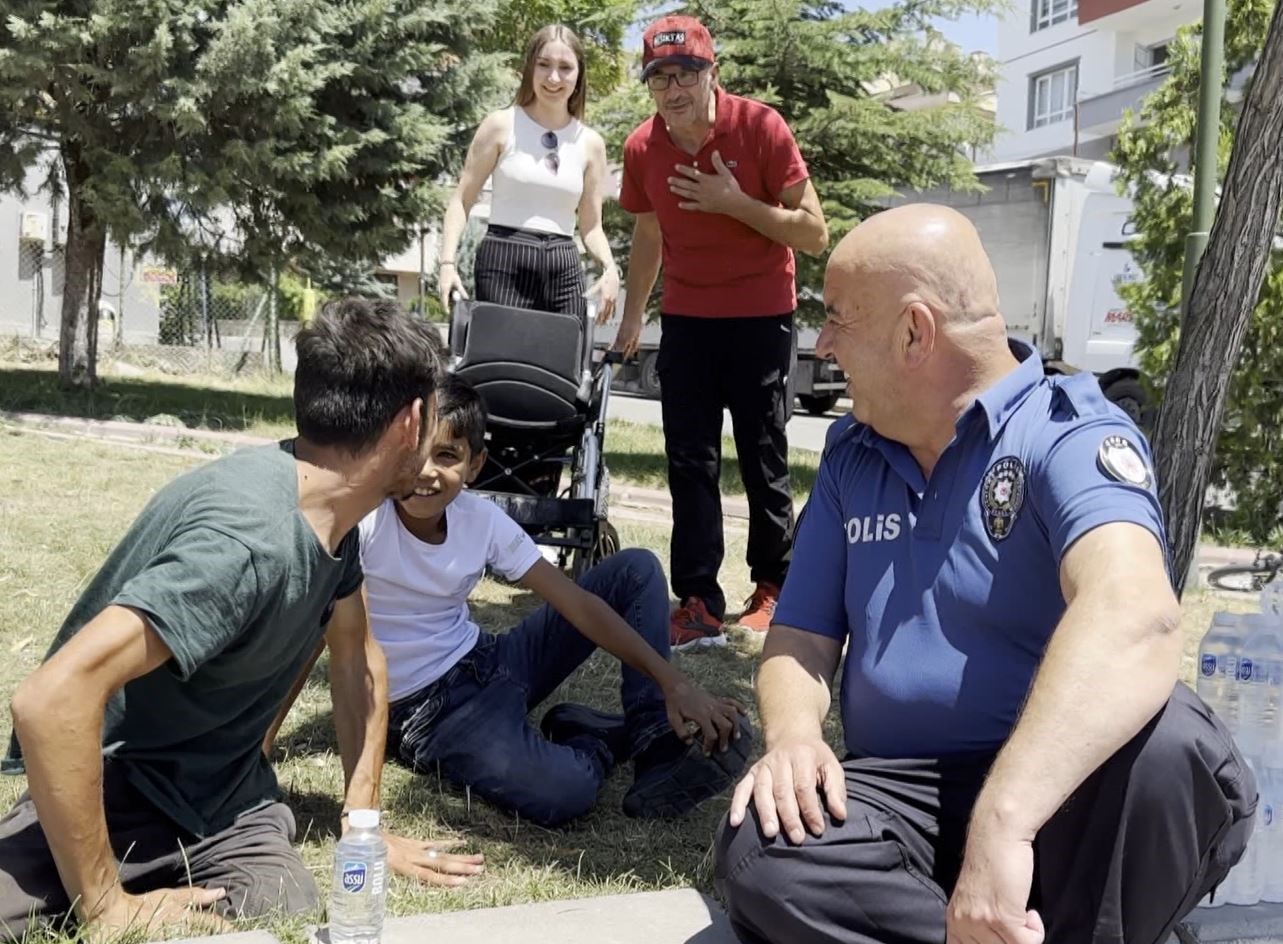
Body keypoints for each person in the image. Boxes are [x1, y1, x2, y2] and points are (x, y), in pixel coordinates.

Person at [713, 205, 1256, 944]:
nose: (824, 343)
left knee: (1175, 750)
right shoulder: (853, 456)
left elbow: (1136, 613)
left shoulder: (1065, 431)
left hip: (1063, 794)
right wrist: (795, 740)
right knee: (763, 847)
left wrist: (1003, 823)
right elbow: (799, 639)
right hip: (907, 797)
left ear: (914, 331)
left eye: (839, 318)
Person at [0, 299, 485, 943]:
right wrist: (106, 905)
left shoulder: (333, 512)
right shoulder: (246, 545)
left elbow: (357, 657)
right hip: (123, 788)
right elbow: (51, 699)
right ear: (413, 421)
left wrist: (364, 826)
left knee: (280, 906)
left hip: (230, 801)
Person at [362, 375, 752, 826]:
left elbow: (577, 603)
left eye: (446, 455)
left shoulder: (478, 517)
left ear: (474, 465)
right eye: (413, 452)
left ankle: (653, 737)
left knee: (636, 568)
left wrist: (674, 684)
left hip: (489, 661)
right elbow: (318, 626)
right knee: (568, 792)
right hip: (432, 715)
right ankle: (595, 740)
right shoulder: (368, 520)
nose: (425, 471)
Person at [611, 15, 829, 650]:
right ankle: (700, 599)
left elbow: (814, 233)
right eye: (660, 78)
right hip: (686, 318)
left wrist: (735, 202)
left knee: (764, 454)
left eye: (686, 73)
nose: (674, 88)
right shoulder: (641, 148)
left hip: (761, 314)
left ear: (713, 74)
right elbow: (648, 232)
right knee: (690, 462)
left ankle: (773, 589)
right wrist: (632, 314)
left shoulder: (761, 127)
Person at [437, 24, 618, 324]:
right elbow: (461, 200)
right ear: (530, 68)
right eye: (544, 65)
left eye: (565, 67)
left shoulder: (591, 143)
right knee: (502, 365)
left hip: (563, 263)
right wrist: (447, 263)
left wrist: (611, 268)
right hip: (504, 259)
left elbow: (591, 226)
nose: (554, 77)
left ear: (579, 75)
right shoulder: (500, 125)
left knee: (564, 365)